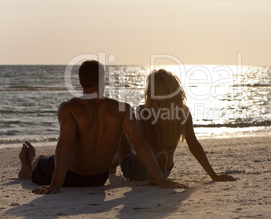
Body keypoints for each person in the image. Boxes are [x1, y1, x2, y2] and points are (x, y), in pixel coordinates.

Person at [18, 60, 186, 194]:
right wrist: (160, 179)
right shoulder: (122, 109)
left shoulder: (69, 108)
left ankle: (29, 166)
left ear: (80, 81)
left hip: (70, 177)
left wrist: (55, 185)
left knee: (41, 161)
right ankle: (35, 160)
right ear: (102, 79)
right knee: (48, 159)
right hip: (99, 177)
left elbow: (66, 144)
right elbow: (140, 144)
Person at [110, 69, 235, 182]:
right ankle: (115, 162)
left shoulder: (144, 111)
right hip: (165, 172)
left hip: (141, 171)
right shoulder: (183, 112)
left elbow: (147, 146)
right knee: (135, 142)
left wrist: (152, 178)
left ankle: (114, 163)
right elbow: (194, 145)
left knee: (122, 126)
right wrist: (214, 176)